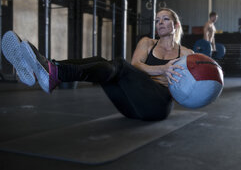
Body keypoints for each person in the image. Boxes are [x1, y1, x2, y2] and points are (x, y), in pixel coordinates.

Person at [1, 8, 194, 121]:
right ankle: (45, 69)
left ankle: (51, 71)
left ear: (175, 25)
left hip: (157, 107)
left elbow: (194, 89)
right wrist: (164, 68)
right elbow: (135, 65)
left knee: (117, 64)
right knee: (100, 62)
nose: (159, 23)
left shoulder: (187, 54)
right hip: (130, 106)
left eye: (165, 19)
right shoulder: (147, 43)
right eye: (157, 20)